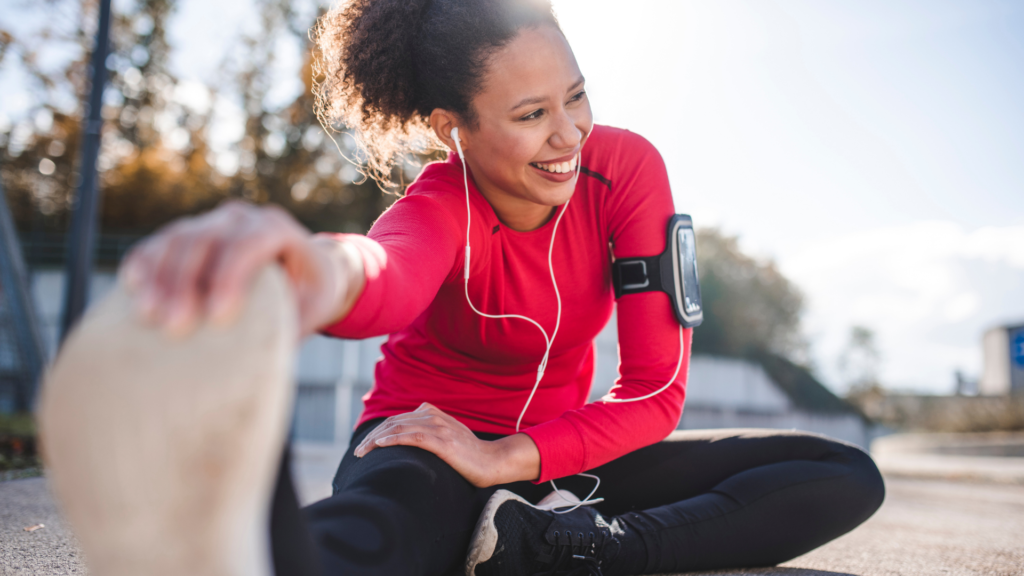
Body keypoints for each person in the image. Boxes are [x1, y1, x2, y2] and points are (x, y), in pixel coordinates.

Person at [46, 1, 885, 575]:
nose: (569, 135)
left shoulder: (626, 171)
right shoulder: (440, 203)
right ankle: (242, 545)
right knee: (380, 535)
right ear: (455, 129)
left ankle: (561, 551)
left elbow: (657, 391)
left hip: (558, 464)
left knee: (838, 475)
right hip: (428, 444)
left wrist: (512, 462)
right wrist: (306, 267)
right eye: (530, 116)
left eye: (578, 96)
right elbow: (382, 274)